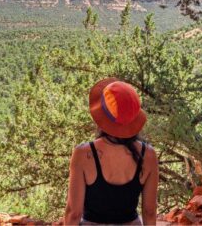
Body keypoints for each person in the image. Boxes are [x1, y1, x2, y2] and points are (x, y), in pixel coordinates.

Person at [64, 78, 159, 225]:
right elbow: (149, 212)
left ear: (101, 116)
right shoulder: (148, 154)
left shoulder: (83, 154)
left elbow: (73, 213)